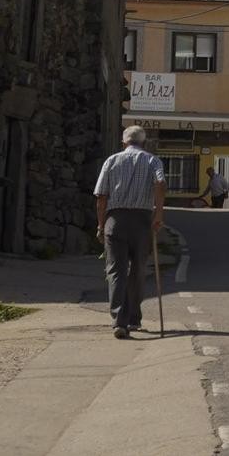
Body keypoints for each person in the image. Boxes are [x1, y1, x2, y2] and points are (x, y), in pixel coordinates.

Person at [93, 126, 165, 339]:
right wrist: (158, 214)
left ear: (123, 142)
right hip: (142, 221)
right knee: (138, 269)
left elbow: (101, 197)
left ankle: (119, 321)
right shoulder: (153, 161)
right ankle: (134, 318)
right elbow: (160, 183)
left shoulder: (111, 161)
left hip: (115, 220)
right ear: (143, 143)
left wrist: (100, 225)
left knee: (116, 270)